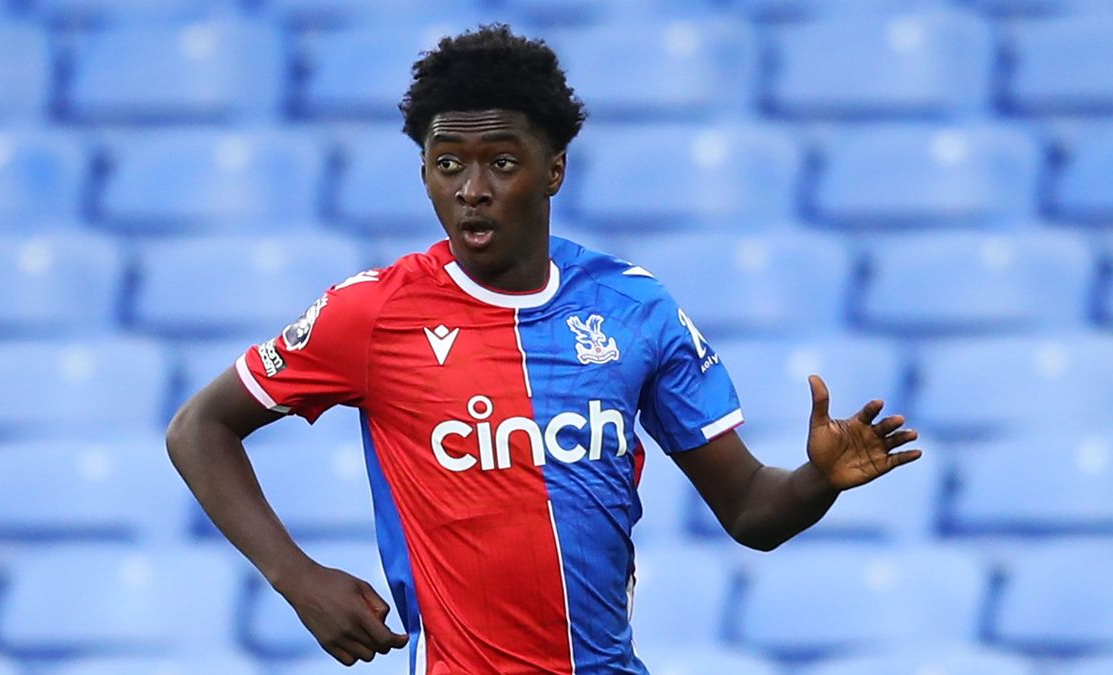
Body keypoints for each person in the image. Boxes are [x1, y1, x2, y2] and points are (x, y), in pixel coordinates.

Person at [166, 24, 922, 675]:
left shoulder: (634, 308)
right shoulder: (372, 312)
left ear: (553, 168)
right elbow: (199, 428)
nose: (471, 188)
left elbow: (752, 510)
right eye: (448, 162)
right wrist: (296, 578)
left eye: (500, 160)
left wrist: (818, 479)